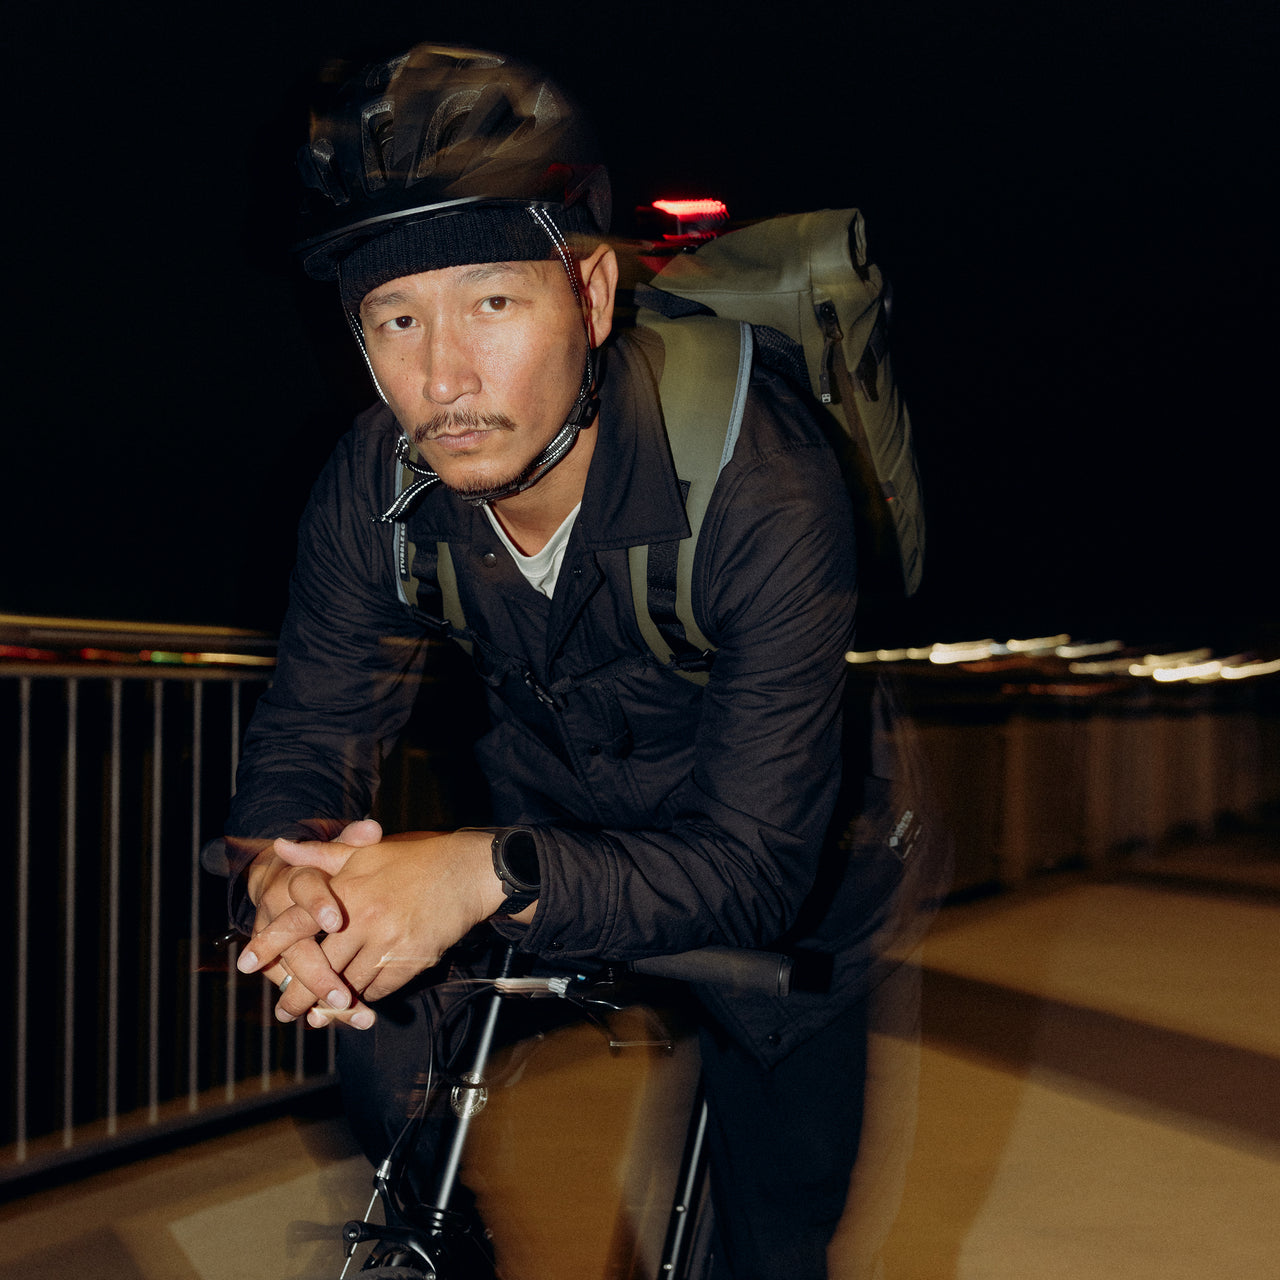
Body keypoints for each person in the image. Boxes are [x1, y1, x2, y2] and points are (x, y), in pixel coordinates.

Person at [219, 41, 940, 1279]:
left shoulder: (760, 479)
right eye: (395, 317)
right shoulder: (373, 482)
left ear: (592, 294)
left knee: (770, 1235)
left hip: (793, 869)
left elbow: (754, 866)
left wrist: (479, 870)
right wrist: (291, 880)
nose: (440, 376)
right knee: (374, 1064)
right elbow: (308, 731)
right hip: (552, 836)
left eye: (493, 301)